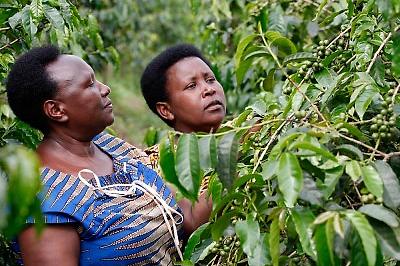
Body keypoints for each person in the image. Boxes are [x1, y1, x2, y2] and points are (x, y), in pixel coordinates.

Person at [6, 45, 201, 265]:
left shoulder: (110, 147)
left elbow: (182, 218)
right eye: (89, 84)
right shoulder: (44, 197)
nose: (105, 88)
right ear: (56, 110)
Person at [140, 44, 226, 231]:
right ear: (166, 110)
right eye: (192, 85)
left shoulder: (251, 134)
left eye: (211, 79)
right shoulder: (155, 165)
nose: (208, 89)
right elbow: (192, 222)